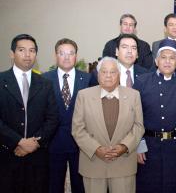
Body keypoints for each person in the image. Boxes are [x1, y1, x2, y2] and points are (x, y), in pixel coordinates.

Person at [72, 57, 144, 193]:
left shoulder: (134, 95)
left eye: (113, 72)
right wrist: (96, 149)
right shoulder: (84, 95)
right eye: (104, 72)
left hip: (123, 162)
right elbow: (77, 129)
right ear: (98, 75)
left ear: (119, 74)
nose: (108, 76)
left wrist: (124, 146)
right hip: (93, 163)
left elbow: (139, 126)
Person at [0, 34, 58, 193]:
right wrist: (18, 141)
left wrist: (34, 143)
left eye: (32, 51)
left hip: (37, 156)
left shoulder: (45, 84)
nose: (27, 55)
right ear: (12, 54)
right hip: (7, 154)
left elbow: (52, 118)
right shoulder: (1, 80)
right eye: (22, 50)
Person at [134, 39, 176, 192]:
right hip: (149, 146)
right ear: (156, 61)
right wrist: (138, 144)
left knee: (173, 186)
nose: (167, 61)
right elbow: (134, 116)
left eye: (172, 58)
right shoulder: (142, 82)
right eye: (163, 57)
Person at [43, 38, 90, 193]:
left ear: (76, 56)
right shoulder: (44, 79)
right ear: (56, 56)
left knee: (80, 186)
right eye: (62, 53)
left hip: (80, 144)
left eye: (71, 53)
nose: (67, 57)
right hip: (53, 143)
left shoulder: (88, 79)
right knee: (53, 185)